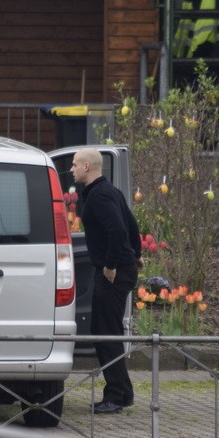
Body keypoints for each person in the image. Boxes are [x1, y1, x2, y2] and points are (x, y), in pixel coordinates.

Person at [70, 148, 143, 414]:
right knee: (108, 331)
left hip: (112, 273)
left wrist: (112, 264)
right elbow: (131, 225)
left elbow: (119, 229)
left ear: (87, 166)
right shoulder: (107, 191)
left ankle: (115, 395)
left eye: (75, 164)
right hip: (121, 268)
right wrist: (136, 254)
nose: (72, 169)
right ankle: (123, 393)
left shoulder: (100, 195)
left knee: (105, 334)